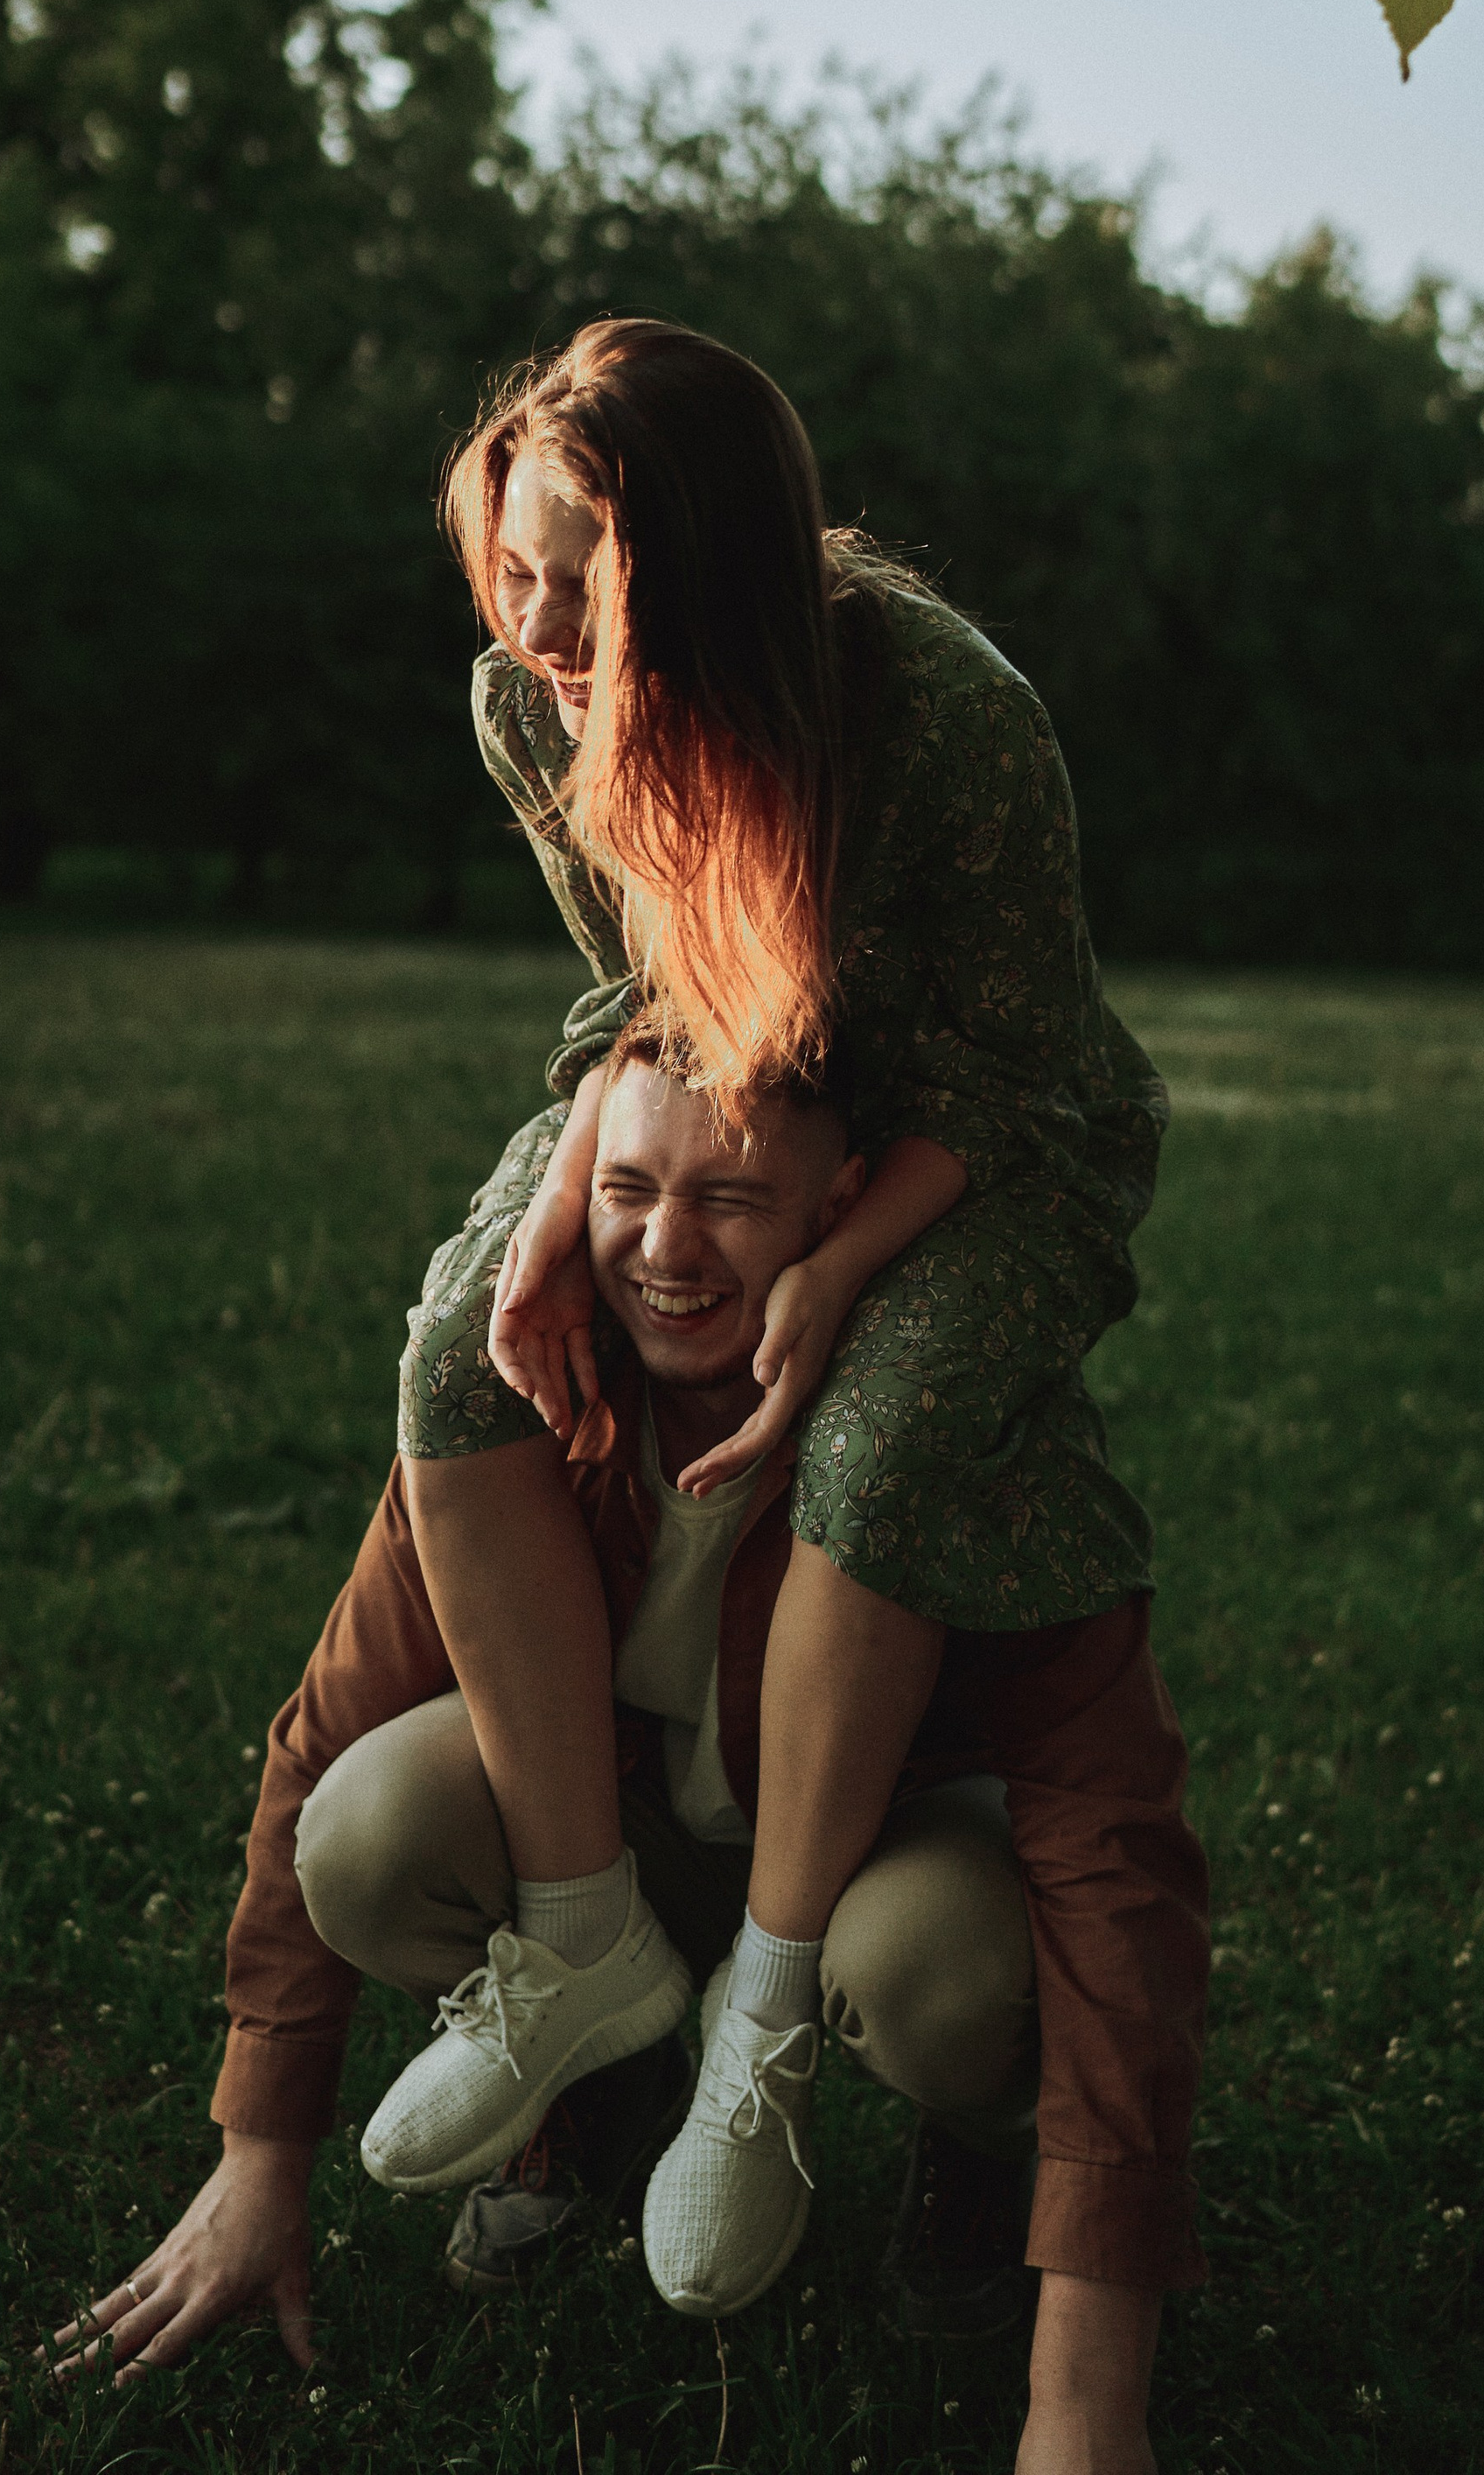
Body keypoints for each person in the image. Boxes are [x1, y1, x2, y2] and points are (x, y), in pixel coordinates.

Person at [50, 1032, 1208, 2475]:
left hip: (877, 1877)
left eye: (729, 1197)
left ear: (840, 1207)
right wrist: (258, 2153)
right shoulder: (524, 1406)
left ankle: (977, 2155)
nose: (667, 1246)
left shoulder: (944, 1433)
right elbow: (323, 1729)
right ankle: (602, 2077)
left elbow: (1114, 1855)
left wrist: (1086, 2401)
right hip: (621, 1844)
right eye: (628, 1186)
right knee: (366, 1829)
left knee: (938, 1974)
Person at [384, 318, 1178, 2320]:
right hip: (732, 1107)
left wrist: (830, 1271)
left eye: (581, 575)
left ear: (708, 585)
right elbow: (637, 1012)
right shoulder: (528, 703)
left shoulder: (941, 712)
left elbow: (1018, 1087)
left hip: (991, 1147)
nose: (531, 614)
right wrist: (572, 1201)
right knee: (452, 1353)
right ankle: (578, 1933)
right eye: (511, 557)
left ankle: (765, 2000)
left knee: (878, 1441)